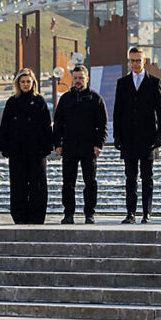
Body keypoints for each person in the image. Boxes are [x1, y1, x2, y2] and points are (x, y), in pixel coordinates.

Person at [113, 47, 161, 224]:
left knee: (147, 177)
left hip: (148, 139)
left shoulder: (154, 82)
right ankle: (130, 213)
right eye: (132, 60)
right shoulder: (122, 83)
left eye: (138, 60)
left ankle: (146, 213)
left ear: (144, 61)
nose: (135, 64)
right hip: (128, 138)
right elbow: (118, 111)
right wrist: (117, 136)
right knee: (130, 178)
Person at [0, 69, 53, 224]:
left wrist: (47, 147)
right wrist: (4, 147)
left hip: (37, 151)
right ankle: (19, 216)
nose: (25, 84)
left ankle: (36, 217)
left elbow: (47, 125)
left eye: (28, 81)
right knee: (18, 185)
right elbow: (5, 126)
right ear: (18, 84)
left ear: (33, 83)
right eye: (22, 82)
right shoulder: (12, 102)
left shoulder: (39, 101)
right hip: (17, 151)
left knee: (38, 185)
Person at [54, 65, 108, 224]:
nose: (78, 81)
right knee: (68, 183)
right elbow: (58, 124)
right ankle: (68, 214)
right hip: (69, 146)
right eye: (75, 78)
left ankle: (89, 213)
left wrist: (99, 144)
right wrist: (57, 144)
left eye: (81, 78)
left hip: (89, 147)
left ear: (87, 79)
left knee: (90, 182)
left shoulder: (96, 99)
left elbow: (102, 125)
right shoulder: (65, 99)